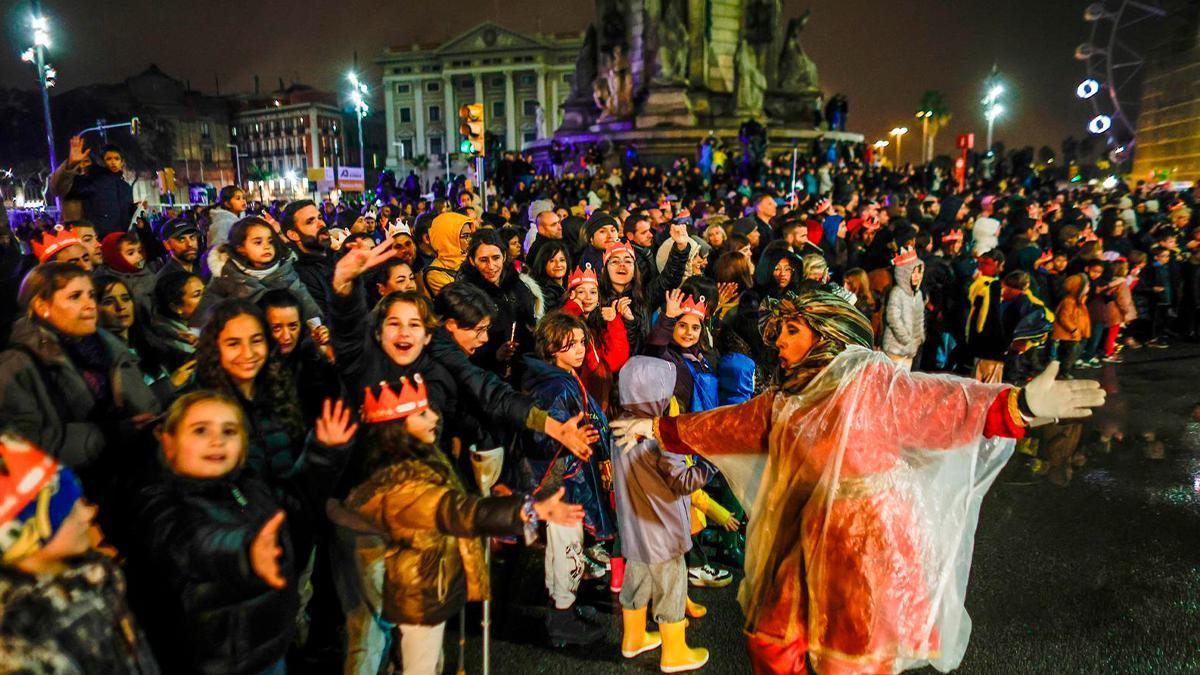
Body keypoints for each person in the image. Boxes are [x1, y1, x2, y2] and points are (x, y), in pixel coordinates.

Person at [612, 283, 1105, 675]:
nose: (779, 342)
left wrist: (1017, 406)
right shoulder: (786, 398)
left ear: (824, 332)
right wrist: (656, 426)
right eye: (778, 331)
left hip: (864, 544)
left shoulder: (875, 384)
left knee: (849, 654)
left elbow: (941, 404)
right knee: (771, 637)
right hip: (799, 532)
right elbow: (728, 424)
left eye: (791, 330)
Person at [339, 376, 585, 675]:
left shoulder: (414, 458)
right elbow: (457, 510)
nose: (434, 417)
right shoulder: (401, 482)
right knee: (420, 664)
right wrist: (527, 509)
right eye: (421, 414)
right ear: (395, 429)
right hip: (416, 591)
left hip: (416, 581)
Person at [127, 392, 355, 675]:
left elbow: (292, 508)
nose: (217, 440)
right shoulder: (159, 500)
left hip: (267, 651)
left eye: (229, 431)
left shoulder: (244, 484)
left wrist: (323, 454)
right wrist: (245, 550)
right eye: (200, 430)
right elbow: (191, 543)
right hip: (217, 664)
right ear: (168, 440)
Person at [0, 434, 159, 673]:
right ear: (29, 533)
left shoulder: (93, 574)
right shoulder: (24, 644)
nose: (88, 513)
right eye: (68, 510)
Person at [0, 262, 161, 475]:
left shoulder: (109, 345)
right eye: (75, 297)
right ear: (42, 306)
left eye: (91, 295)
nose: (90, 305)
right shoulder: (16, 365)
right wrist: (107, 434)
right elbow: (22, 443)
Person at [519, 311, 613, 647]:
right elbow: (545, 438)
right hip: (562, 480)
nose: (579, 350)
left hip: (569, 475)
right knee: (566, 547)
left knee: (567, 547)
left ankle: (565, 608)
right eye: (569, 344)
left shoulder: (563, 378)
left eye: (582, 343)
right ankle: (561, 618)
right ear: (550, 347)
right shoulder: (555, 386)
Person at [613, 357, 713, 672]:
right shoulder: (659, 439)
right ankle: (675, 652)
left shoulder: (619, 426)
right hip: (663, 530)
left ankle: (633, 637)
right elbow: (683, 482)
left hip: (634, 528)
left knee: (636, 580)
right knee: (672, 586)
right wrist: (709, 466)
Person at [192, 216, 323, 327]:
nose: (266, 246)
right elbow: (208, 305)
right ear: (241, 248)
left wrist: (315, 324)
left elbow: (303, 298)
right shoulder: (226, 275)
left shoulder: (285, 270)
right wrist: (197, 331)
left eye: (270, 241)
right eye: (258, 242)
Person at [46, 136, 134, 237]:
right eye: (108, 159)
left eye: (86, 161)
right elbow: (57, 188)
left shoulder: (122, 186)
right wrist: (71, 164)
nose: (83, 165)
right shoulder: (74, 182)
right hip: (82, 237)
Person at [280, 200, 335, 319]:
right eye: (310, 222)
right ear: (293, 235)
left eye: (320, 217)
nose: (321, 224)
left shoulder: (338, 257)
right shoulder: (299, 278)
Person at [881, 248, 925, 369]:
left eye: (919, 272)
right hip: (895, 349)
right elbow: (893, 318)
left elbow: (920, 317)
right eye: (913, 272)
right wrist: (906, 339)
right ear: (905, 273)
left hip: (910, 351)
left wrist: (919, 337)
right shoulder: (897, 292)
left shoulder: (918, 294)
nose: (916, 276)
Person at [99, 231, 156, 317]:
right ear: (114, 256)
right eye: (131, 253)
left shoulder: (148, 275)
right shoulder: (103, 280)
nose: (139, 256)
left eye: (139, 251)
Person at [423, 212, 475, 296]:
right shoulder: (435, 274)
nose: (469, 240)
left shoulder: (470, 259)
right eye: (465, 236)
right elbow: (458, 303)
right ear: (449, 239)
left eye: (470, 235)